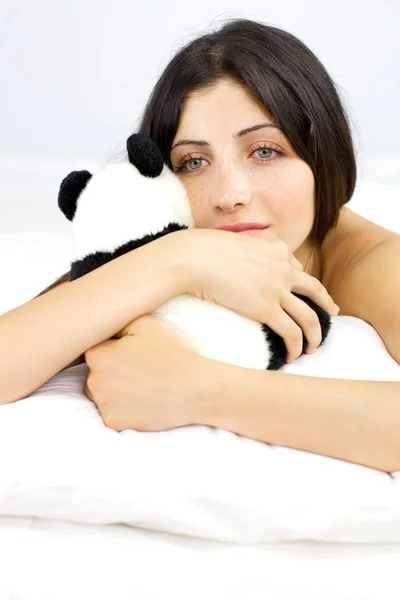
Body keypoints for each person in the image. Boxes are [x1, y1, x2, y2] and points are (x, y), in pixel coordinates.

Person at [1, 19, 399, 473]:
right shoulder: (173, 241)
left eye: (265, 151)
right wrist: (177, 260)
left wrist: (199, 390)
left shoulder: (378, 266)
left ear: (322, 153)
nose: (229, 194)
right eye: (193, 162)